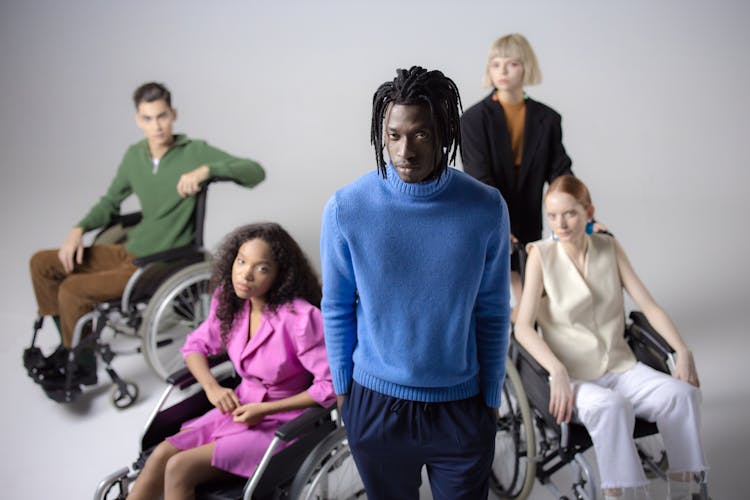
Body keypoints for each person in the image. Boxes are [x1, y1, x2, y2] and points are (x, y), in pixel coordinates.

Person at [320, 66, 511, 500]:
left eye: (420, 135)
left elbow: (493, 309)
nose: (405, 150)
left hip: (461, 406)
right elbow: (336, 306)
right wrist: (344, 389)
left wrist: (490, 395)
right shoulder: (347, 208)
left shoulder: (485, 208)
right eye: (394, 136)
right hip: (375, 404)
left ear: (444, 133)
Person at [28, 82, 265, 388]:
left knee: (73, 290)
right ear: (138, 120)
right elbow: (110, 202)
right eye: (149, 118)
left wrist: (206, 170)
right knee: (41, 263)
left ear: (173, 114)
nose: (157, 126)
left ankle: (81, 366)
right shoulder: (134, 156)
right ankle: (67, 343)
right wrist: (79, 229)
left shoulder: (194, 152)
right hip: (129, 248)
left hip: (159, 262)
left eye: (162, 116)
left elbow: (255, 172)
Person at [514, 175, 707, 500]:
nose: (560, 224)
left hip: (621, 367)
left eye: (570, 214)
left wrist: (683, 350)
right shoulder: (541, 256)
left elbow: (649, 306)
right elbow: (522, 326)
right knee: (611, 407)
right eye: (552, 216)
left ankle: (686, 491)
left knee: (682, 396)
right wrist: (556, 371)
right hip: (575, 378)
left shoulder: (609, 247)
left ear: (589, 211)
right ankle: (621, 495)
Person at [126, 222, 335, 499]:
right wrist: (212, 387)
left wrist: (265, 410)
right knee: (161, 454)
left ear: (280, 275)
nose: (245, 274)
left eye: (261, 268)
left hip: (284, 423)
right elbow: (195, 346)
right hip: (237, 407)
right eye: (241, 261)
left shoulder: (301, 318)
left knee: (179, 467)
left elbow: (330, 385)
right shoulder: (230, 301)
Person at [461, 33, 573, 316]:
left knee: (533, 294)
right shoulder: (473, 120)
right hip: (489, 216)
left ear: (526, 67)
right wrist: (500, 224)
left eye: (511, 64)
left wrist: (583, 215)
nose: (502, 71)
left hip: (530, 219)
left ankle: (526, 334)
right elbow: (479, 179)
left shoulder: (547, 119)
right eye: (496, 64)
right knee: (510, 295)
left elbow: (560, 172)